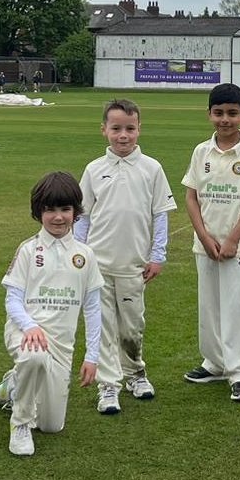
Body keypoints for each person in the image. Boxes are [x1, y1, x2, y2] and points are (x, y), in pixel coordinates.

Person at [0, 171, 103, 456]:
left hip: (61, 345)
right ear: (39, 212)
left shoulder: (85, 255)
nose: (58, 217)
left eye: (65, 209)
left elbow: (94, 307)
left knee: (51, 426)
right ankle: (20, 423)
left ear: (76, 212)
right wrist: (29, 326)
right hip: (25, 333)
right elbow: (12, 300)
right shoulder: (28, 250)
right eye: (50, 210)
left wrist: (92, 356)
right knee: (35, 356)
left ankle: (12, 385)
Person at [73, 99, 175, 414]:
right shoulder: (93, 169)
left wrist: (157, 255)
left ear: (139, 129)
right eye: (116, 129)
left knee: (131, 328)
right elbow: (83, 218)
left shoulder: (152, 168)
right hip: (98, 266)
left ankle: (135, 372)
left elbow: (160, 215)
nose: (123, 136)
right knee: (103, 328)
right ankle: (108, 387)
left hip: (134, 266)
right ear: (104, 129)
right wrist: (78, 255)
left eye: (130, 129)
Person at [181, 83, 240, 402]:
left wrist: (233, 239)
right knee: (210, 307)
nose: (225, 119)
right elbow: (191, 197)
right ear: (209, 114)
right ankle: (215, 363)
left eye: (232, 113)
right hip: (205, 245)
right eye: (218, 113)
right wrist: (205, 237)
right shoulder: (200, 152)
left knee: (238, 309)